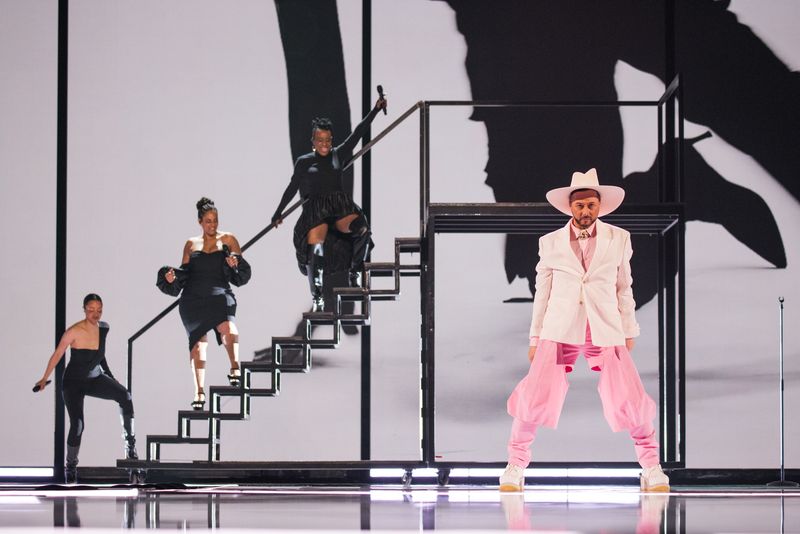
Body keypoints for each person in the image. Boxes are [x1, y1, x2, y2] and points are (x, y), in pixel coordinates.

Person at [500, 168, 669, 493]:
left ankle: (651, 466)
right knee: (534, 396)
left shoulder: (618, 238)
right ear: (570, 207)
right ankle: (515, 466)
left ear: (599, 206)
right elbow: (542, 293)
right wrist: (535, 336)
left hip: (603, 326)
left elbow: (624, 286)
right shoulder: (550, 242)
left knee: (629, 395)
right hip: (560, 327)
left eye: (591, 204)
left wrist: (628, 328)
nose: (585, 211)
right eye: (580, 205)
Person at [270, 95, 388, 311]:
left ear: (331, 140)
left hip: (339, 207)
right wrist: (278, 212)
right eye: (320, 140)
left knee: (362, 229)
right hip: (317, 212)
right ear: (313, 141)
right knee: (316, 248)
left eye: (327, 140)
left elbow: (358, 132)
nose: (324, 144)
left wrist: (376, 109)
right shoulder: (304, 162)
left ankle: (355, 271)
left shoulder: (338, 154)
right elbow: (292, 187)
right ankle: (318, 296)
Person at [157, 197, 251, 411]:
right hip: (193, 298)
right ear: (200, 222)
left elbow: (240, 271)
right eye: (208, 221)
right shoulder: (191, 244)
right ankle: (199, 392)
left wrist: (234, 263)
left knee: (228, 327)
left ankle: (235, 368)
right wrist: (172, 278)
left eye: (215, 220)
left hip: (219, 293)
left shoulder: (229, 239)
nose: (212, 225)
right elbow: (184, 273)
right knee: (199, 344)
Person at [34, 293, 138, 484]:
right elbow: (58, 354)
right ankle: (71, 467)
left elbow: (101, 356)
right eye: (91, 310)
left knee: (125, 396)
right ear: (84, 309)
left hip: (95, 379)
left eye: (99, 310)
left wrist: (110, 377)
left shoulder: (104, 328)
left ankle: (130, 448)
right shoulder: (74, 331)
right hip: (73, 382)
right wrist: (44, 378)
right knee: (78, 425)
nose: (95, 314)